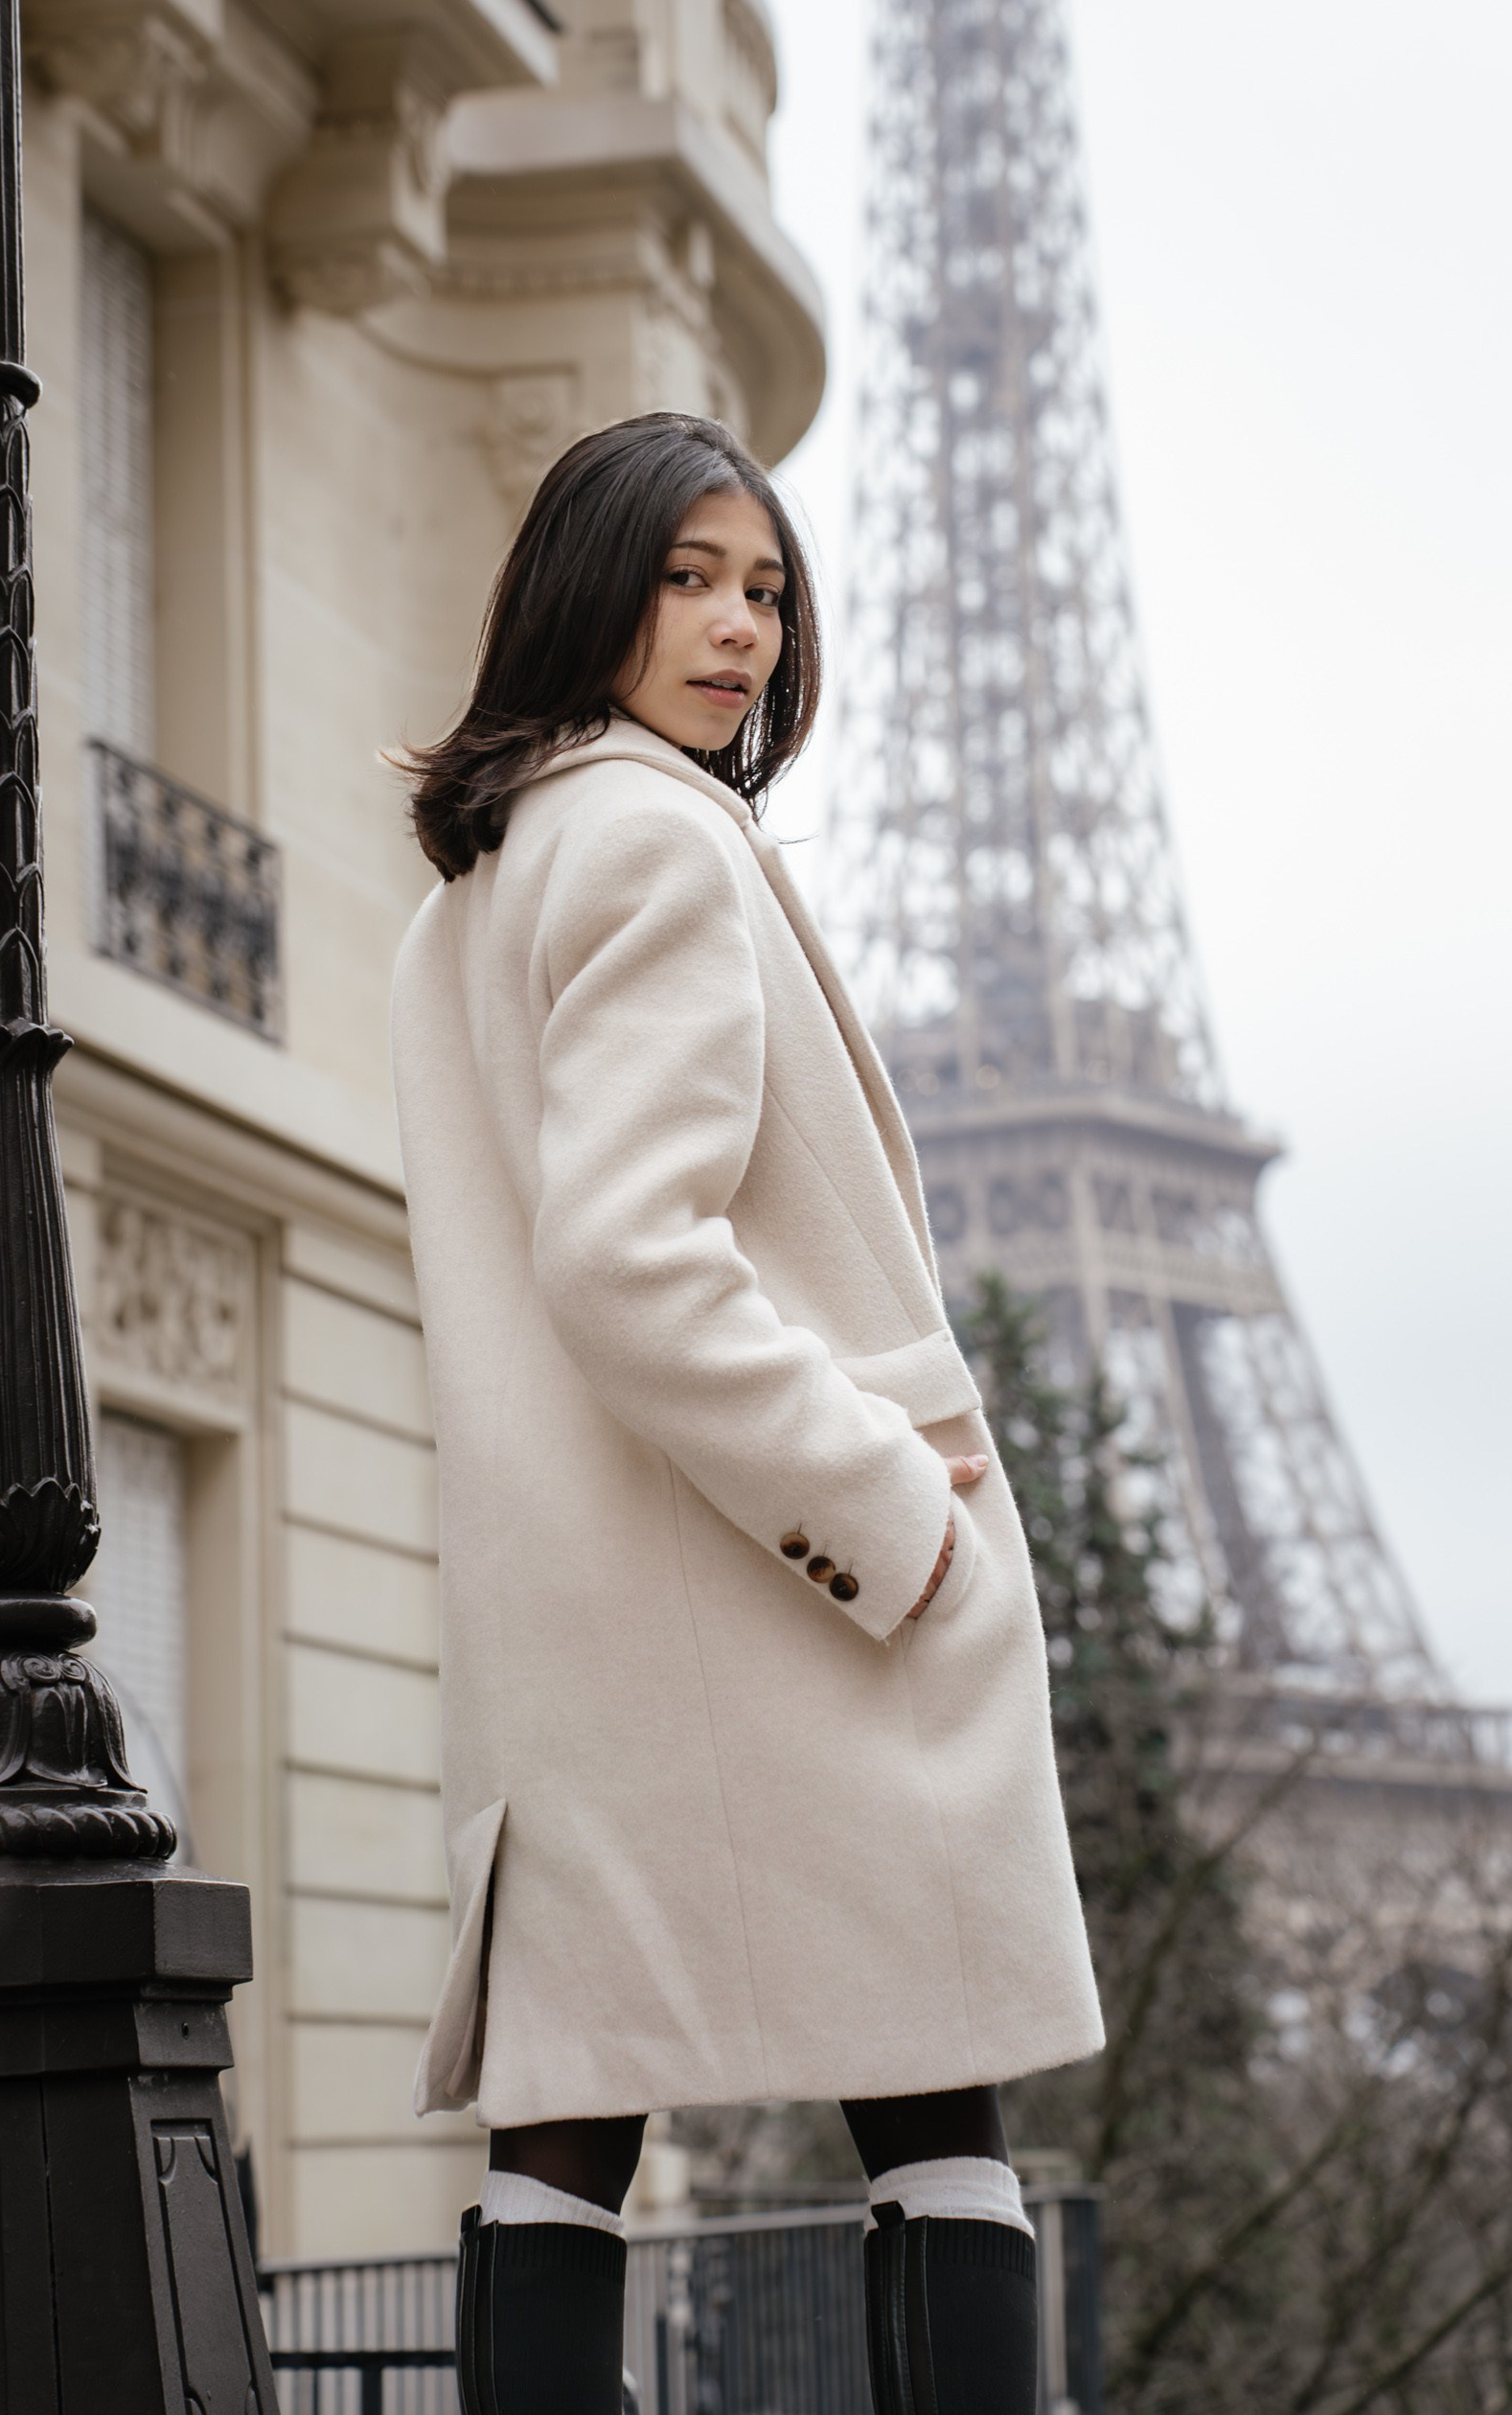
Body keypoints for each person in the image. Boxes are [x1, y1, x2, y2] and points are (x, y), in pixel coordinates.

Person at [392, 414, 1102, 2415]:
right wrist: (885, 1513)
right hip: (784, 1596)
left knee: (565, 2134)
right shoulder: (654, 841)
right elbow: (630, 1259)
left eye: (765, 590)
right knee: (936, 2109)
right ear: (582, 592)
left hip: (601, 1622)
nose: (735, 629)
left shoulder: (487, 877)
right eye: (687, 577)